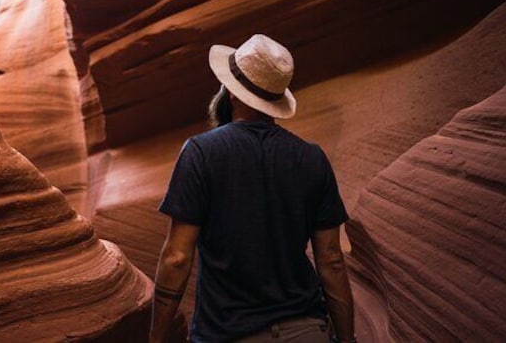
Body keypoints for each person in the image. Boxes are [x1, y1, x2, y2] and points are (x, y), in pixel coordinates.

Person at [149, 34, 356, 343]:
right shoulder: (311, 158)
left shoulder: (201, 153)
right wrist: (348, 339)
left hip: (227, 333)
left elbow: (177, 258)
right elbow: (331, 260)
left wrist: (156, 338)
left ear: (231, 93)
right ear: (275, 100)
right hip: (306, 331)